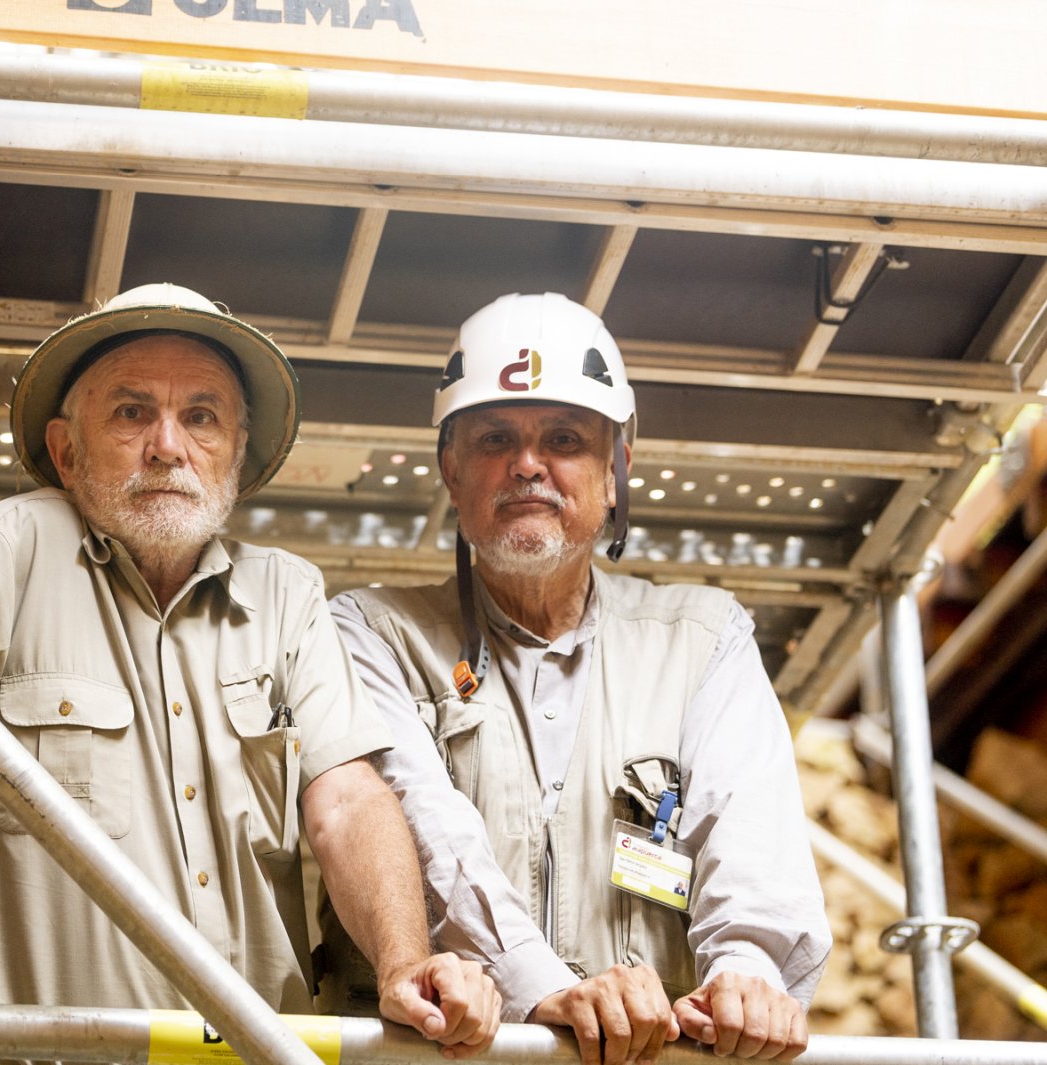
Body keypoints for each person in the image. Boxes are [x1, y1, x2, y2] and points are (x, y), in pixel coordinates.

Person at [0, 284, 502, 1059]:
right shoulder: (6, 552)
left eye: (201, 416)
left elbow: (350, 799)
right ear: (66, 450)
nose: (168, 443)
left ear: (235, 452)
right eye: (131, 412)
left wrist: (403, 960)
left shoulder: (286, 594)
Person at [326, 293, 830, 1065]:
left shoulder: (703, 639)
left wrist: (747, 976)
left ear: (617, 468)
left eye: (563, 437)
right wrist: (546, 992)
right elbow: (427, 830)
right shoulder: (372, 633)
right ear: (450, 471)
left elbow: (748, 834)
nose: (528, 463)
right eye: (496, 437)